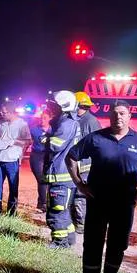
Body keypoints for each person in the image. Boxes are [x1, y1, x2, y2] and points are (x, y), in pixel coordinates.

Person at [67, 100, 137, 273]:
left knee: (117, 246)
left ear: (129, 116)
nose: (118, 117)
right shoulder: (96, 138)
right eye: (115, 114)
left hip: (124, 205)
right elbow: (71, 157)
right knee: (92, 244)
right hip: (98, 202)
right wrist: (80, 184)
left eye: (123, 113)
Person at [42, 90, 81, 249]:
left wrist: (44, 138)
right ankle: (69, 239)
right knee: (63, 211)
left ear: (63, 107)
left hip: (60, 176)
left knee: (56, 211)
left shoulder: (66, 124)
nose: (51, 108)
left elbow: (55, 145)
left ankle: (59, 242)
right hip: (65, 176)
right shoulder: (68, 122)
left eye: (54, 106)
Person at [0, 102, 31, 215]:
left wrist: (14, 142)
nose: (2, 114)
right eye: (1, 112)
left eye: (4, 112)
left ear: (12, 112)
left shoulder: (21, 124)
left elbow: (28, 141)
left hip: (12, 159)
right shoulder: (1, 122)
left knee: (13, 187)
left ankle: (11, 212)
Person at [70, 91, 102, 234]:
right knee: (73, 195)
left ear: (78, 105)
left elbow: (98, 144)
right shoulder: (77, 119)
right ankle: (75, 222)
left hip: (85, 165)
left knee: (80, 195)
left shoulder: (90, 121)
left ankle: (81, 225)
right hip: (75, 164)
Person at [28, 110, 52, 212]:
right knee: (42, 180)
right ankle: (43, 204)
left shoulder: (54, 130)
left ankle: (41, 202)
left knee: (47, 180)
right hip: (36, 156)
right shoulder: (33, 130)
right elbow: (27, 141)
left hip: (48, 156)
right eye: (41, 118)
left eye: (45, 118)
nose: (42, 120)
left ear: (50, 118)